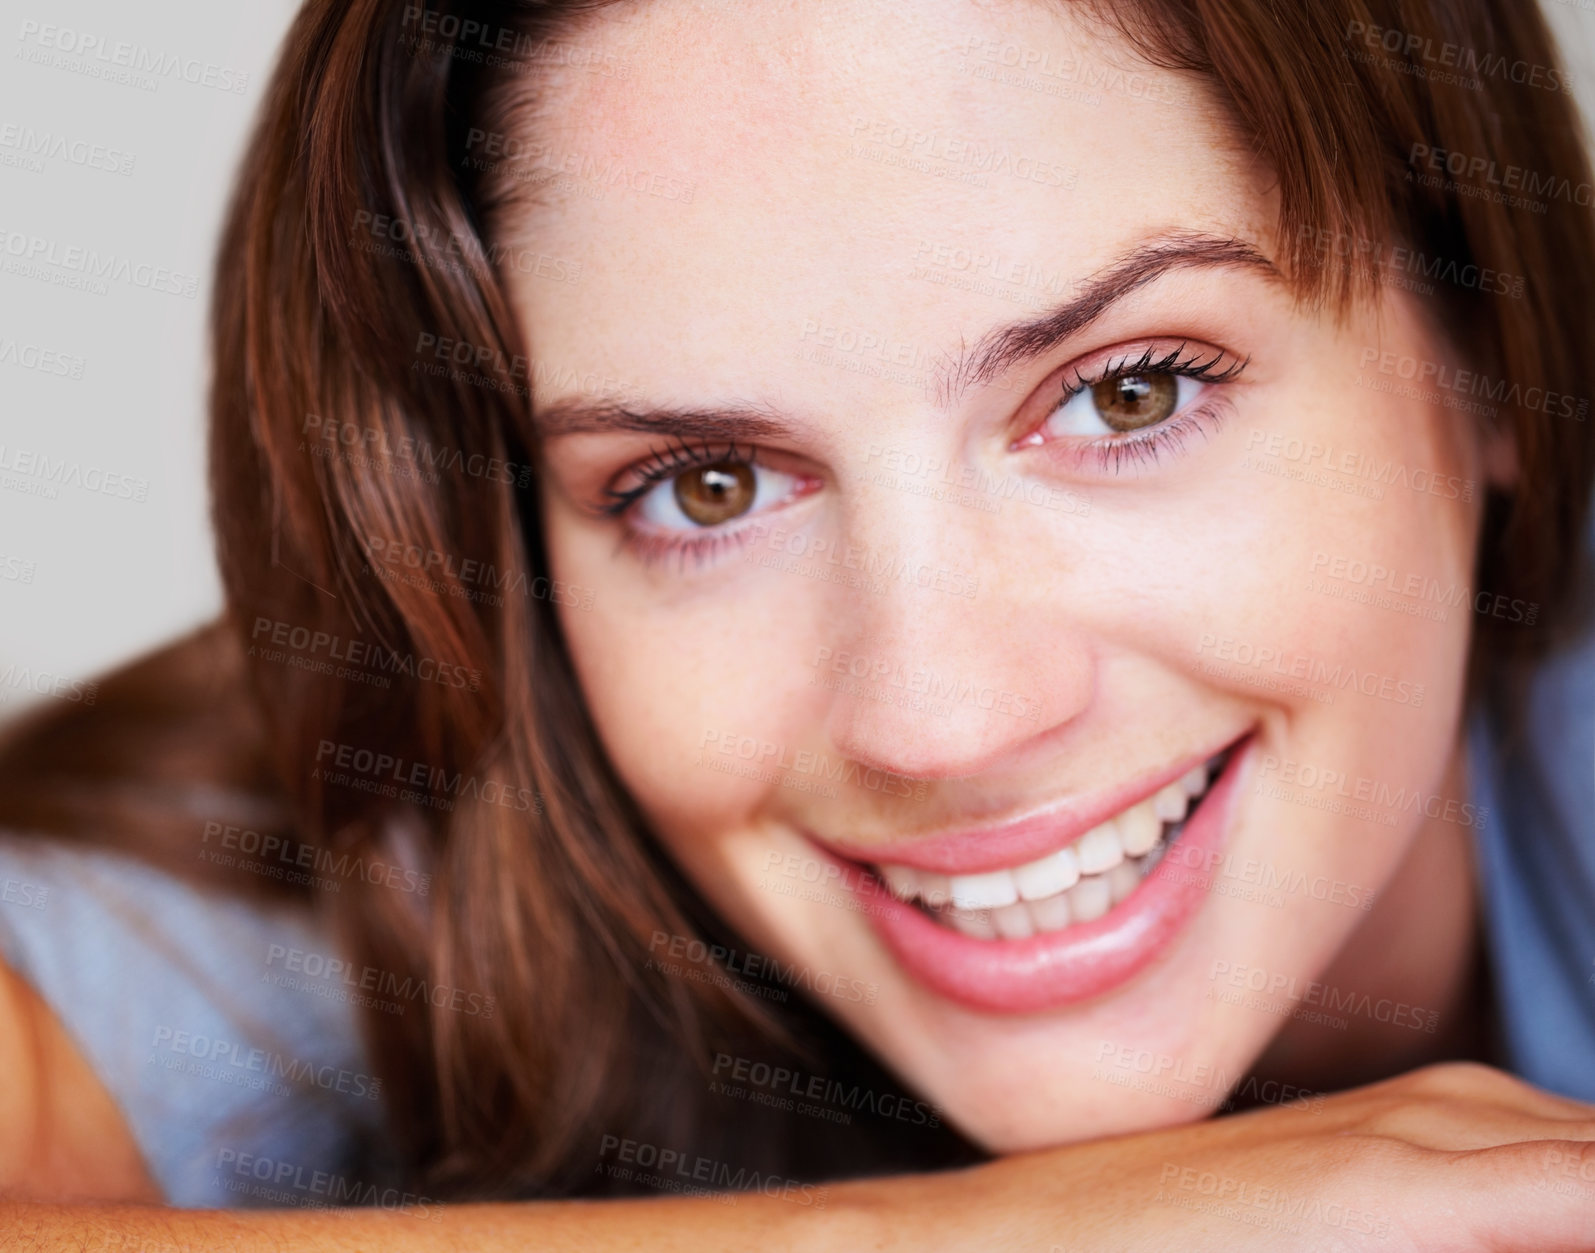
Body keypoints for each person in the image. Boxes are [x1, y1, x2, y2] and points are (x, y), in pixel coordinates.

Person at [1, 0, 1593, 1246]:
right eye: (702, 488)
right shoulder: (410, 827)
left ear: (1481, 340)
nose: (940, 717)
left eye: (1129, 391)